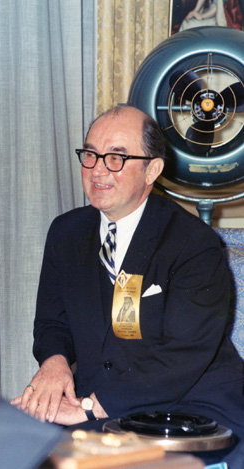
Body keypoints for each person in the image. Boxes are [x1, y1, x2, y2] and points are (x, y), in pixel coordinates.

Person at [12, 104, 244, 464]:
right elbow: (52, 323)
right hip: (106, 412)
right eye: (90, 155)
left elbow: (183, 357)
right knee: (13, 444)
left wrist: (91, 407)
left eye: (116, 158)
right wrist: (54, 363)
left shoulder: (193, 243)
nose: (97, 170)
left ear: (152, 169)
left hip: (191, 406)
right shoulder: (66, 233)